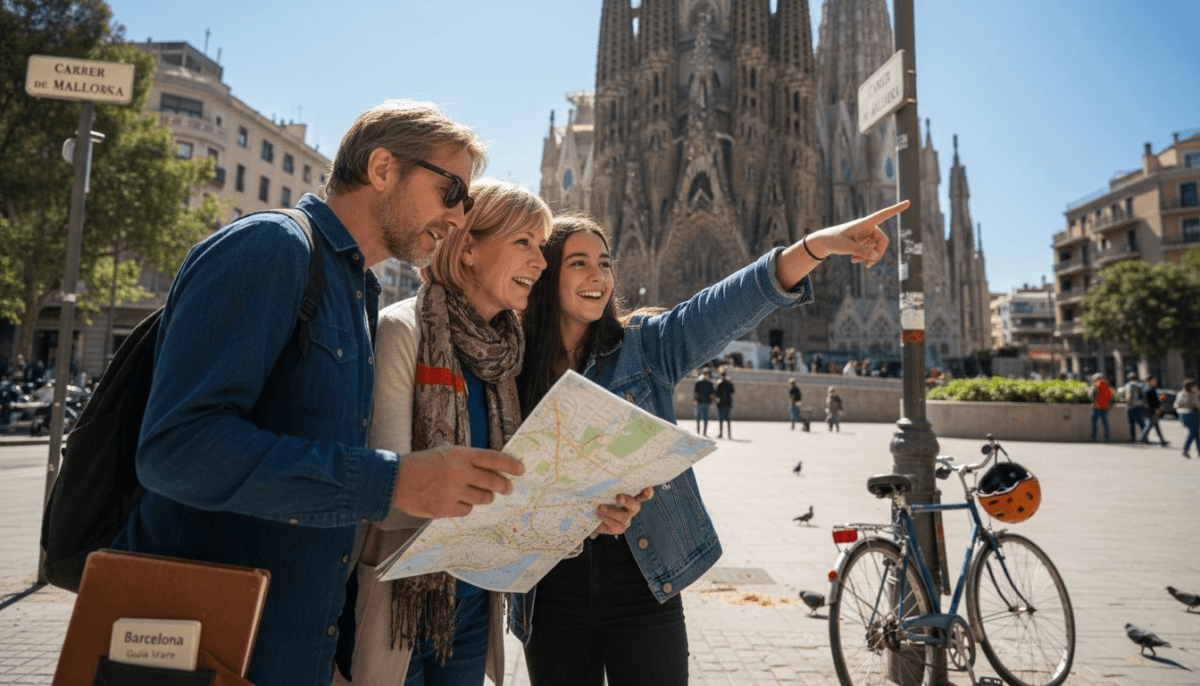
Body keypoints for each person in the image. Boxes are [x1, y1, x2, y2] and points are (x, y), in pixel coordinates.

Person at [111, 100, 529, 686]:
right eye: (452, 189)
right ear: (383, 167)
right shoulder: (272, 248)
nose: (460, 216)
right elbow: (177, 449)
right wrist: (394, 482)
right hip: (206, 645)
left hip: (294, 650)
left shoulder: (357, 290)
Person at [512, 200, 906, 685]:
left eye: (605, 263)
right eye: (579, 263)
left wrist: (817, 246)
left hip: (644, 579)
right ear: (546, 275)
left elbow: (724, 307)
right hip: (551, 590)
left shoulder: (645, 347)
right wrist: (571, 513)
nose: (598, 275)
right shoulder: (512, 366)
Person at [344, 181, 647, 685]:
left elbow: (520, 487)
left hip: (470, 609)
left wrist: (581, 516)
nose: (542, 262)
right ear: (467, 249)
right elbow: (387, 493)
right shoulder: (403, 332)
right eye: (524, 243)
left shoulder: (504, 353)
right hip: (400, 603)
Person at [1139, 375, 1169, 447]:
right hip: (1153, 409)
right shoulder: (1150, 389)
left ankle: (1162, 441)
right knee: (1150, 424)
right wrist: (1158, 407)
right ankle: (1143, 438)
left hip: (1148, 408)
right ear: (1150, 381)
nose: (1155, 382)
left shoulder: (1145, 388)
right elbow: (1154, 401)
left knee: (1156, 425)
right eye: (1153, 381)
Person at [1176, 378, 1200, 458]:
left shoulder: (1180, 394)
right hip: (1192, 416)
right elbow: (1198, 406)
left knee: (1195, 433)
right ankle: (1185, 449)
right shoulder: (1192, 395)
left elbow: (1175, 405)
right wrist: (1196, 393)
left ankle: (1197, 451)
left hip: (1182, 416)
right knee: (1193, 433)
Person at [1122, 371, 1148, 444]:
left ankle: (1133, 439)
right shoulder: (1141, 385)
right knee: (1142, 423)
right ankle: (1145, 438)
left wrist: (1126, 401)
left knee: (1131, 423)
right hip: (1141, 405)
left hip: (1132, 406)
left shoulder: (1129, 385)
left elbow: (1129, 396)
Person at [1088, 372, 1112, 443]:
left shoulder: (1095, 385)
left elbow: (1090, 396)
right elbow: (1110, 396)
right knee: (1105, 424)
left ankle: (1094, 437)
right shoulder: (1107, 385)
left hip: (1096, 407)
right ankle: (1106, 438)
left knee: (1094, 424)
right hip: (1105, 407)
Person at [714, 367, 735, 439]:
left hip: (722, 404)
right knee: (727, 420)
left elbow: (716, 394)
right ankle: (728, 434)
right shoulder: (728, 383)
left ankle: (722, 434)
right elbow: (733, 392)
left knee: (722, 420)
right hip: (727, 404)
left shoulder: (720, 384)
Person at [693, 369, 714, 436]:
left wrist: (711, 400)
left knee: (705, 418)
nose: (707, 376)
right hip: (700, 403)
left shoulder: (710, 384)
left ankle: (704, 432)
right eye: (705, 374)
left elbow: (712, 393)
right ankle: (698, 432)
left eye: (708, 375)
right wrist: (695, 400)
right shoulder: (698, 383)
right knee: (698, 417)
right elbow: (695, 392)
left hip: (707, 403)